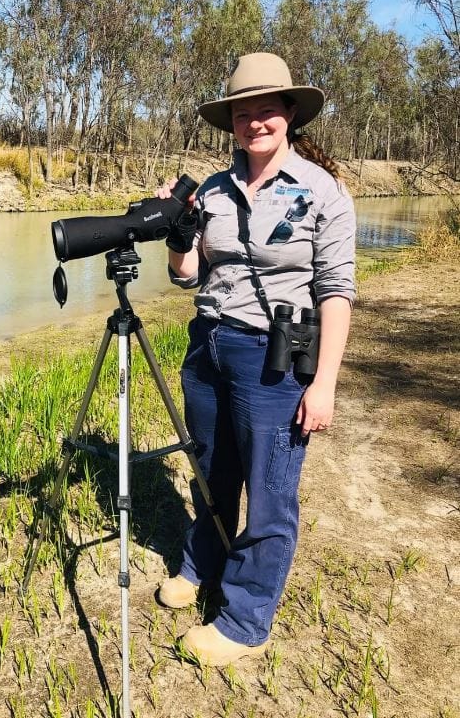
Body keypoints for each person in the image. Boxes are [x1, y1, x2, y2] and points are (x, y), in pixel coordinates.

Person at [155, 52, 356, 667]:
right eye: (244, 113)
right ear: (231, 122)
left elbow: (337, 292)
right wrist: (176, 230)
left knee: (270, 489)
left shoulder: (323, 192)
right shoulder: (212, 190)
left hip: (274, 358)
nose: (255, 122)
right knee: (211, 469)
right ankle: (201, 562)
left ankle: (245, 617)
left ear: (290, 115)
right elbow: (188, 275)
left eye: (267, 110)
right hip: (208, 344)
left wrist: (323, 384)